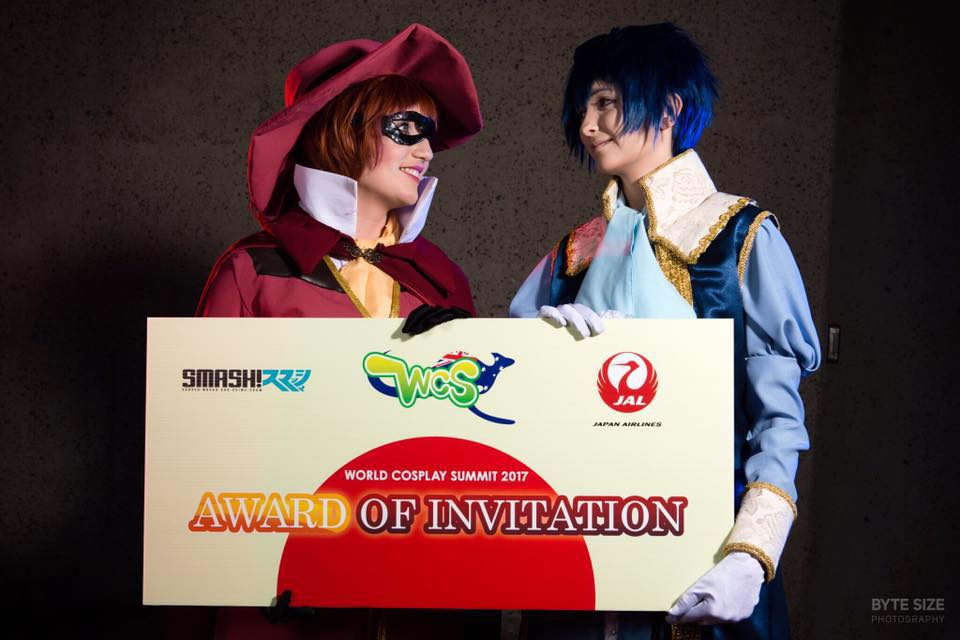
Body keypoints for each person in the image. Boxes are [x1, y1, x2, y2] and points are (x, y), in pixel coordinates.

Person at [510, 23, 821, 640]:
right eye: (582, 107)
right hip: (579, 568)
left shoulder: (741, 237)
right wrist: (538, 359)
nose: (587, 126)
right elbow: (514, 409)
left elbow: (779, 424)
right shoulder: (574, 252)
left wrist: (751, 556)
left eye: (606, 102)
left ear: (671, 106)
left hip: (705, 563)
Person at [198, 23, 497, 640]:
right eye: (406, 129)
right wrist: (252, 563)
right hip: (286, 588)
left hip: (418, 593)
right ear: (345, 129)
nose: (426, 150)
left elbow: (478, 460)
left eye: (431, 134)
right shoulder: (253, 270)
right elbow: (205, 440)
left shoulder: (440, 283)